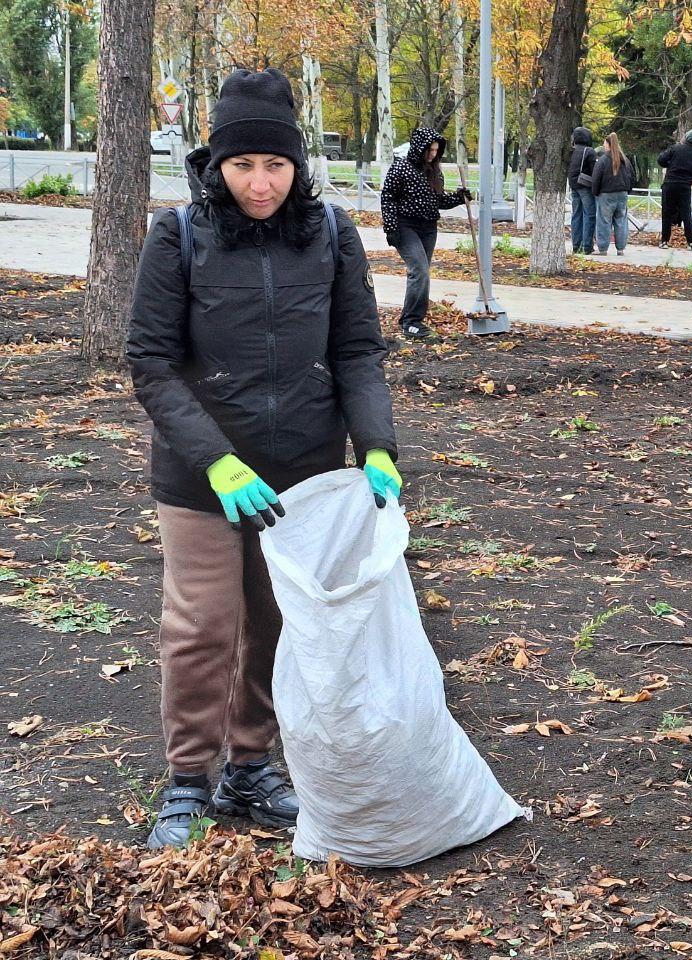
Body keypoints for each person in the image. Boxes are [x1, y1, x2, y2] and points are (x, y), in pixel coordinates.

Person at [127, 68, 404, 850]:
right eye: (242, 164)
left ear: (297, 164)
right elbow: (150, 362)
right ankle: (189, 778)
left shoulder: (332, 235)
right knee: (203, 626)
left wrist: (376, 445)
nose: (260, 182)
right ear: (216, 163)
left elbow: (357, 350)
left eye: (276, 164)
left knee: (281, 624)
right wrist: (216, 462)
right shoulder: (178, 236)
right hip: (202, 476)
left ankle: (250, 766)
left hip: (302, 474)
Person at [380, 126, 470, 339]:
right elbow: (388, 197)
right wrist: (391, 227)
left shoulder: (434, 172)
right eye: (429, 150)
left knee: (422, 273)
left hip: (428, 228)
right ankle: (411, 322)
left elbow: (438, 201)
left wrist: (458, 198)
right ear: (419, 148)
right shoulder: (401, 168)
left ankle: (410, 318)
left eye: (436, 151)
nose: (432, 155)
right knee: (419, 271)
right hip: (405, 226)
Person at [657, 128, 692, 250]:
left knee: (667, 213)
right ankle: (691, 242)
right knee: (686, 214)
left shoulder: (675, 148)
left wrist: (670, 165)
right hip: (684, 187)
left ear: (686, 138)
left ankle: (664, 241)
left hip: (670, 184)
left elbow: (661, 160)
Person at [592, 131, 635, 255]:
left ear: (608, 144)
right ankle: (620, 249)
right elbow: (632, 177)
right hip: (622, 194)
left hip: (606, 194)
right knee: (621, 221)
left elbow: (596, 178)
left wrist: (596, 192)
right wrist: (627, 190)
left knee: (604, 222)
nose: (604, 145)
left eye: (604, 143)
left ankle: (603, 249)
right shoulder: (625, 160)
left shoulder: (603, 160)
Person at [568, 126, 597, 254]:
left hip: (573, 186)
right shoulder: (589, 151)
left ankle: (576, 246)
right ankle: (587, 246)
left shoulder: (571, 150)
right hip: (585, 186)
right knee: (589, 215)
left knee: (576, 215)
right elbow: (594, 171)